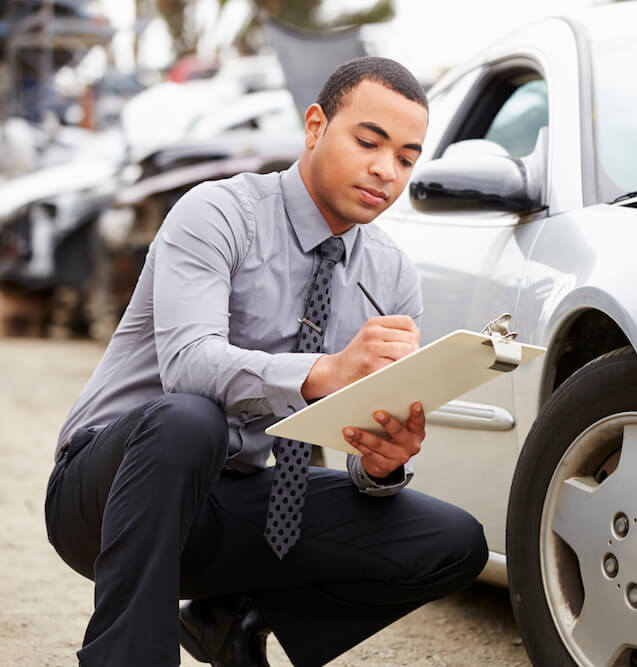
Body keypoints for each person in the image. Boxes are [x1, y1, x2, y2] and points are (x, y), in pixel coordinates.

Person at [44, 56, 489, 667]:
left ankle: (230, 619)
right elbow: (188, 366)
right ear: (314, 128)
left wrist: (382, 463)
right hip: (106, 494)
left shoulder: (390, 276)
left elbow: (360, 432)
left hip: (239, 502)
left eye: (407, 158)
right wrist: (324, 373)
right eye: (368, 142)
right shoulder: (217, 214)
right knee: (188, 421)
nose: (386, 170)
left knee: (453, 541)